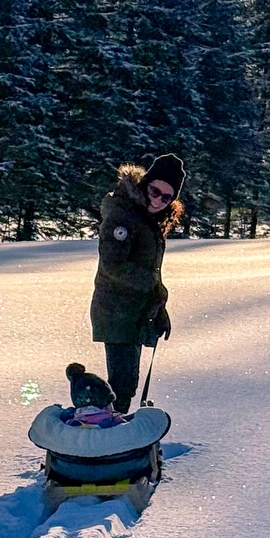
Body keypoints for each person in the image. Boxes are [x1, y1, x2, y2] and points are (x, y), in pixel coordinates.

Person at [90, 154, 184, 411]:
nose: (159, 200)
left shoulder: (145, 218)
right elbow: (112, 265)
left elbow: (148, 268)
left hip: (134, 313)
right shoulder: (123, 216)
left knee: (126, 385)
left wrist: (158, 309)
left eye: (167, 197)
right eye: (155, 191)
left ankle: (112, 426)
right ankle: (103, 430)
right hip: (116, 312)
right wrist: (152, 288)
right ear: (144, 185)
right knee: (121, 386)